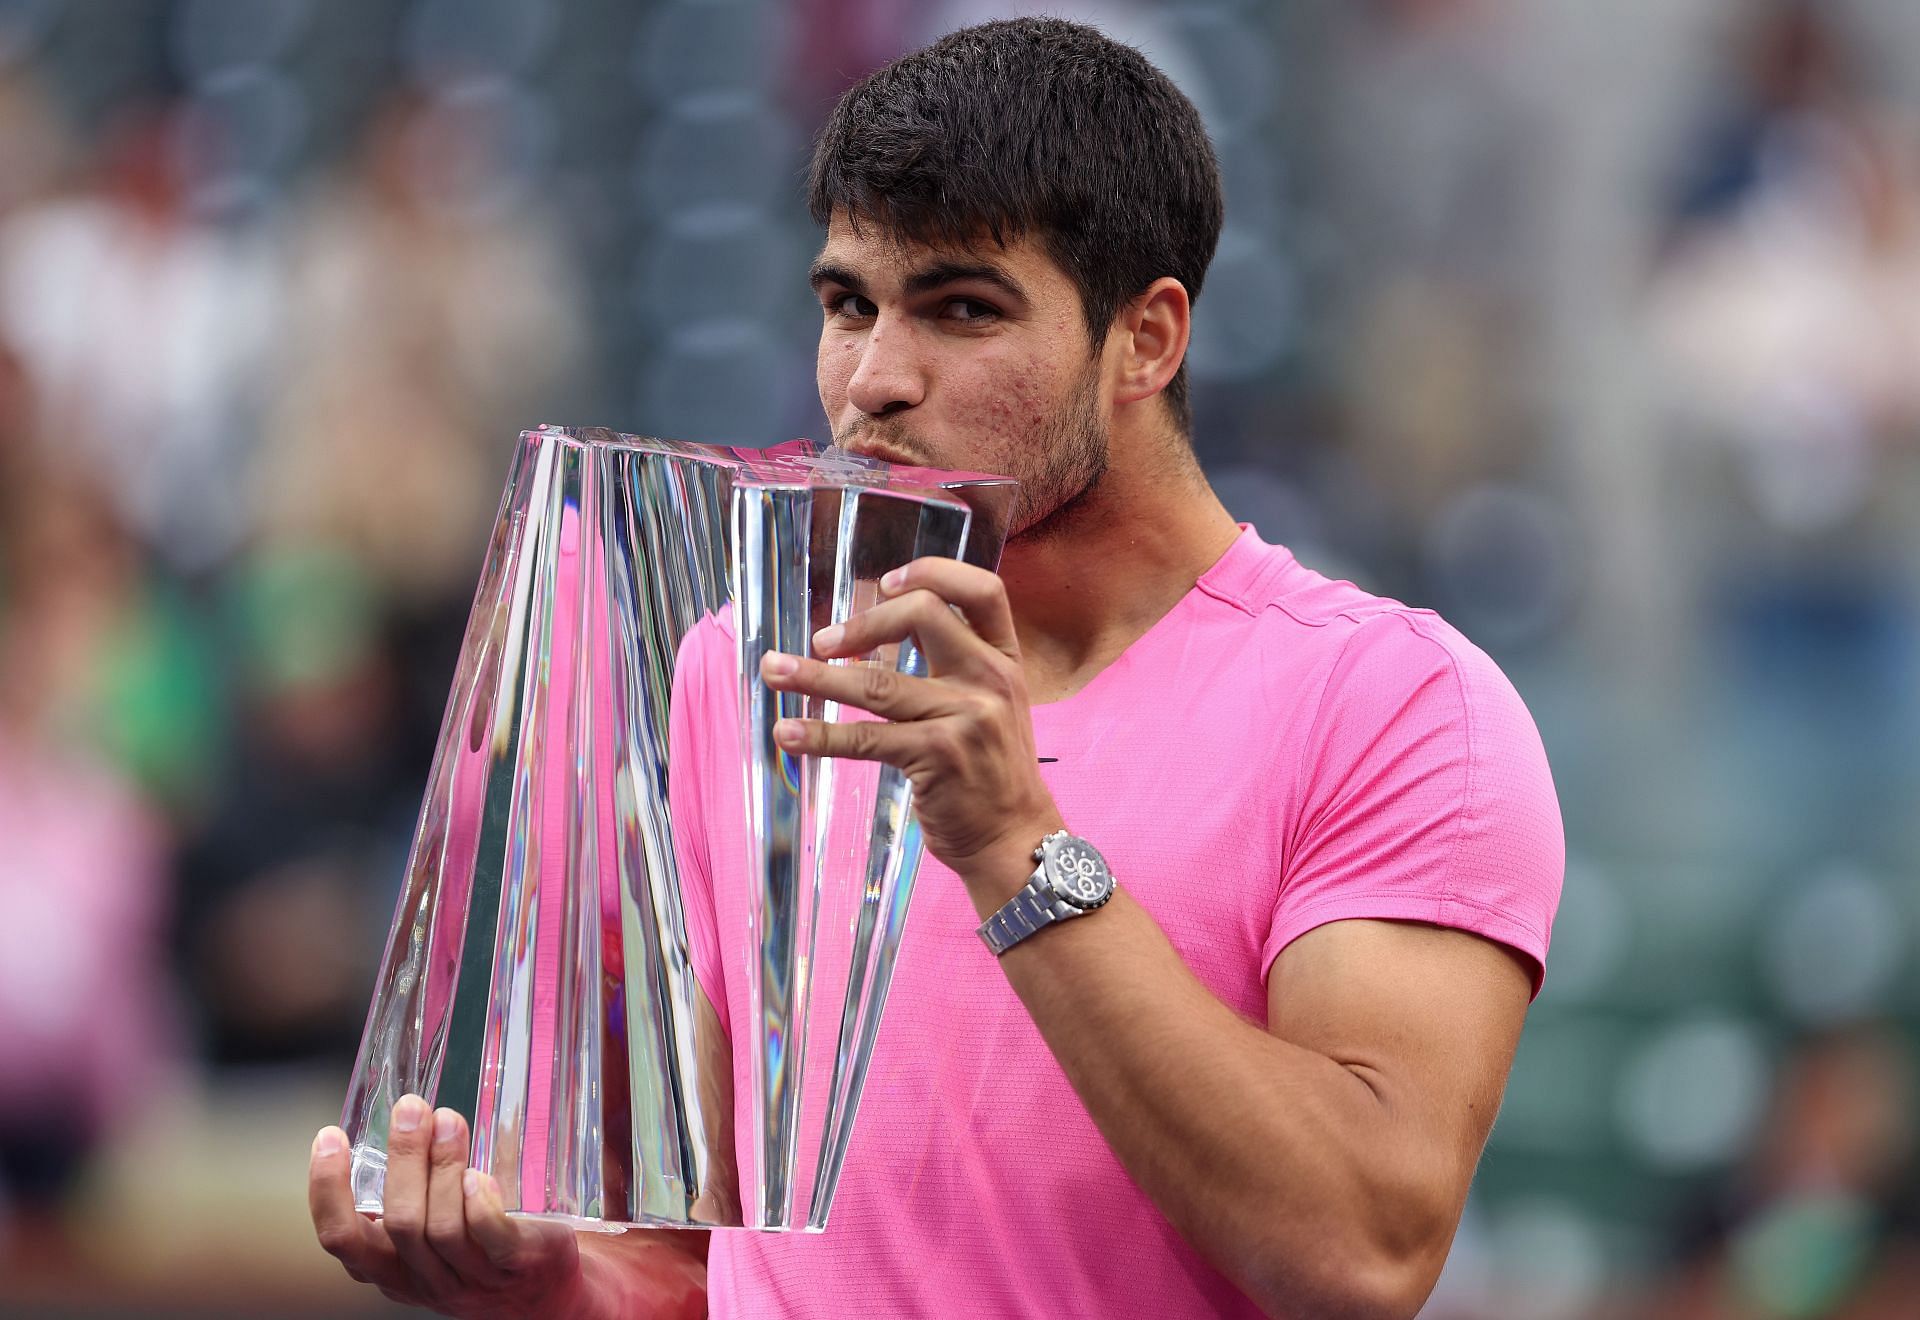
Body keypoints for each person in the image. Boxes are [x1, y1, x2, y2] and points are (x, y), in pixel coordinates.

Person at [308, 17, 1563, 1318]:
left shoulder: (1400, 709)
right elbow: (719, 1263)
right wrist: (561, 1291)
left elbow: (1361, 1253)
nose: (874, 380)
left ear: (1148, 340)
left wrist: (1017, 846)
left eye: (962, 308)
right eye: (848, 304)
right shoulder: (749, 671)